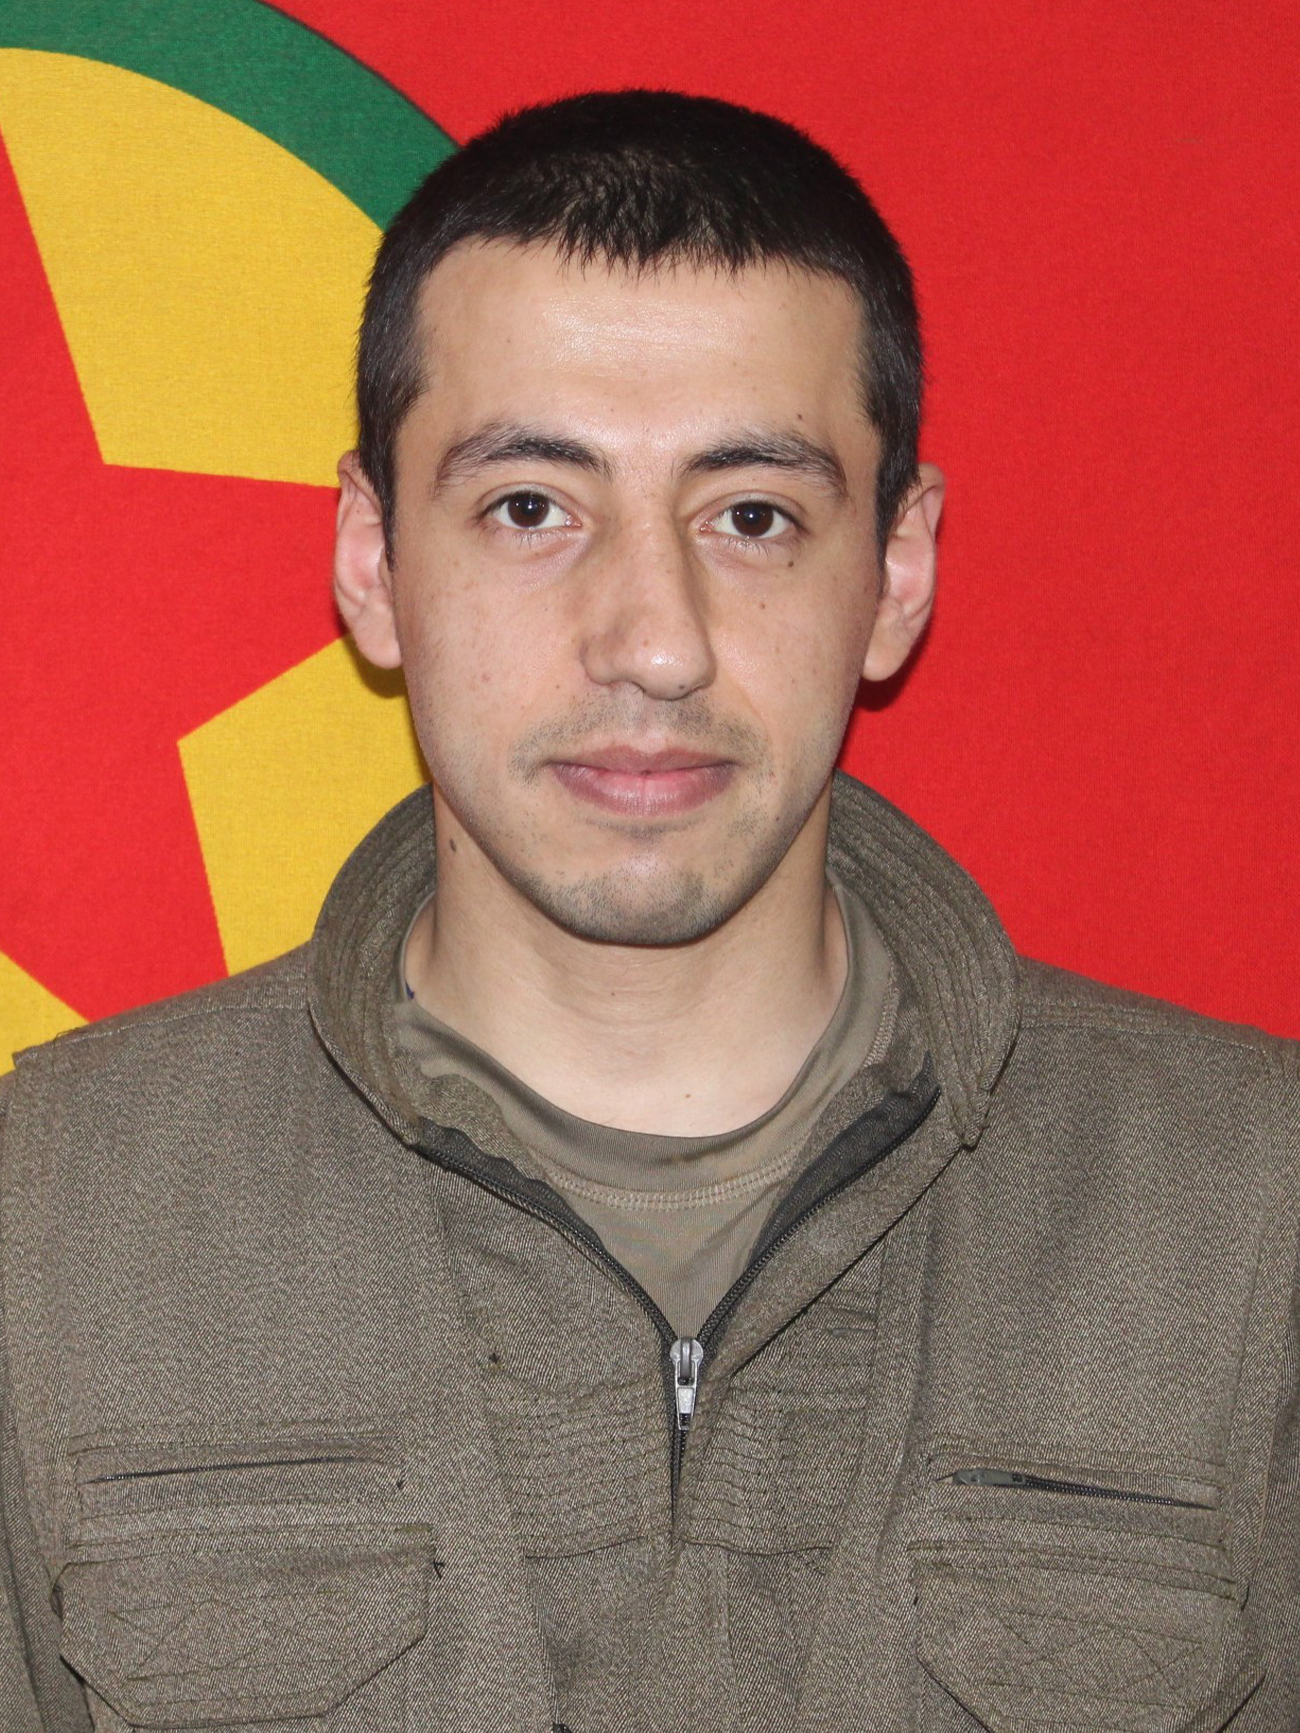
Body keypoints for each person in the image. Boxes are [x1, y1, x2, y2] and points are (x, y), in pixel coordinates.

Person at [0, 88, 1294, 1733]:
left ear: (896, 570)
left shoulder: (1251, 1215)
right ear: (375, 563)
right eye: (530, 507)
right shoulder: (47, 1223)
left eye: (752, 516)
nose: (653, 641)